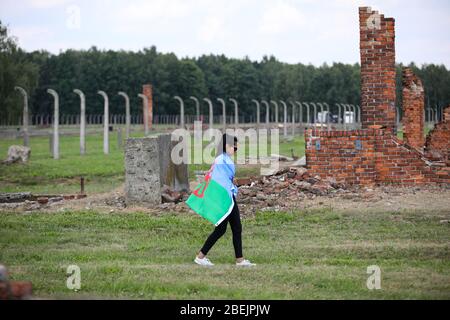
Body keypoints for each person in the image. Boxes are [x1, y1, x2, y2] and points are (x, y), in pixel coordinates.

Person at [194, 134, 256, 267]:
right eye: (234, 147)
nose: (235, 149)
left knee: (233, 228)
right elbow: (221, 180)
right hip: (225, 197)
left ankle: (239, 260)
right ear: (227, 146)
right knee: (223, 229)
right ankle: (201, 257)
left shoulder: (222, 159)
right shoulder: (223, 160)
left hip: (227, 195)